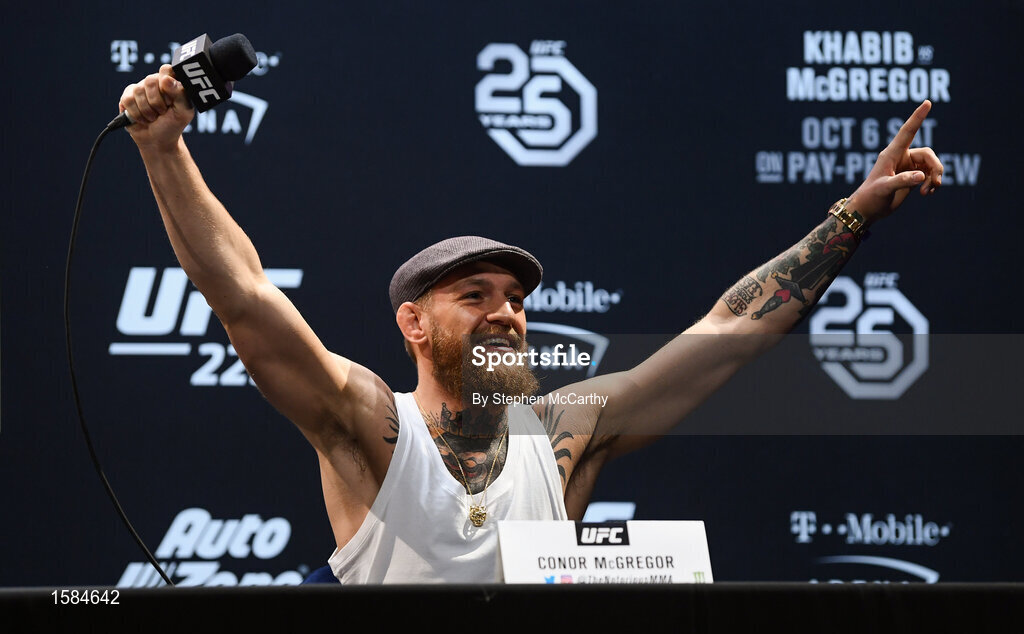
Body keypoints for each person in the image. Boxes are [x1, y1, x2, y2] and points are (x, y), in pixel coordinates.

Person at [118, 65, 943, 583]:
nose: (506, 314)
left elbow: (728, 334)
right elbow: (248, 299)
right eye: (473, 295)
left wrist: (851, 217)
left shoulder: (569, 429)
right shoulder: (369, 422)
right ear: (413, 321)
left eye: (514, 298)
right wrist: (163, 152)